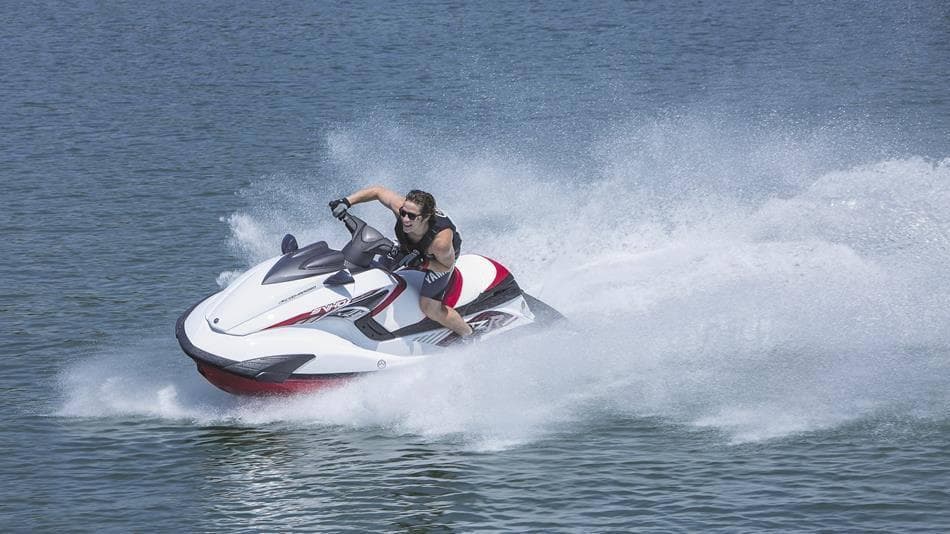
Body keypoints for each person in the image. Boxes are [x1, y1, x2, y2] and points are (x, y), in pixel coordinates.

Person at [329, 186, 475, 338]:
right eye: (403, 213)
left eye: (411, 216)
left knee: (430, 308)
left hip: (436, 260)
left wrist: (421, 263)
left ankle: (469, 333)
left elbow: (446, 266)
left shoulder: (441, 243)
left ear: (425, 217)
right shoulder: (402, 209)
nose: (404, 219)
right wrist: (346, 201)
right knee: (378, 271)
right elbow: (378, 191)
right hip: (411, 247)